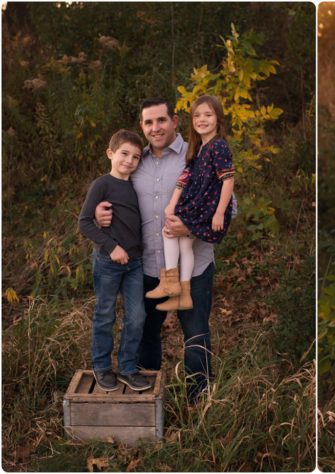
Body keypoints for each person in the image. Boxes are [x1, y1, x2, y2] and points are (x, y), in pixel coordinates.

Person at [95, 98, 220, 402]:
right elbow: (114, 195)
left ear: (174, 121)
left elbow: (230, 207)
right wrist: (100, 213)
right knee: (144, 335)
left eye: (161, 120)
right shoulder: (135, 160)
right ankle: (147, 403)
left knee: (196, 336)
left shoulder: (198, 155)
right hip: (146, 268)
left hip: (193, 270)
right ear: (142, 126)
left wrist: (190, 227)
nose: (155, 128)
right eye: (148, 122)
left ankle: (198, 404)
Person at [78, 129, 153, 392]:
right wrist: (111, 247)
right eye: (124, 153)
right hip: (108, 262)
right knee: (105, 314)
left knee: (137, 316)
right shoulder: (102, 184)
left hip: (135, 263)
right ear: (110, 153)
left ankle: (128, 368)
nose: (129, 160)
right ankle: (101, 366)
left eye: (135, 157)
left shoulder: (136, 186)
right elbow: (85, 222)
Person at [144, 95, 235, 312]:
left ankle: (170, 282)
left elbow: (228, 179)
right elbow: (185, 177)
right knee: (184, 245)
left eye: (208, 115)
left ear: (218, 119)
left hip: (204, 207)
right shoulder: (199, 148)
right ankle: (183, 294)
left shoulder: (218, 146)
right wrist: (172, 203)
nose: (202, 119)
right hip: (194, 205)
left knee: (168, 232)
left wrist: (219, 212)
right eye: (197, 116)